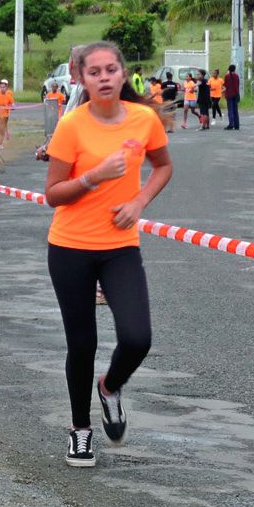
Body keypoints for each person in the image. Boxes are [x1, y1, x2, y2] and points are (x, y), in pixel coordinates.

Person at [42, 41, 173, 468]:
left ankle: (111, 387)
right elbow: (53, 194)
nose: (103, 77)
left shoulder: (144, 119)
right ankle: (80, 432)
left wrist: (138, 203)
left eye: (111, 69)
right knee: (82, 343)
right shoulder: (72, 126)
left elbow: (163, 166)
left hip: (120, 246)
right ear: (79, 78)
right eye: (93, 71)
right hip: (70, 247)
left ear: (123, 74)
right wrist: (94, 177)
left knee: (138, 337)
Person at [224, 64, 241, 130]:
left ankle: (231, 124)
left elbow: (225, 85)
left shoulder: (227, 76)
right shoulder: (236, 76)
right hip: (236, 94)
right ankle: (237, 125)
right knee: (235, 110)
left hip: (229, 94)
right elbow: (238, 84)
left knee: (230, 110)